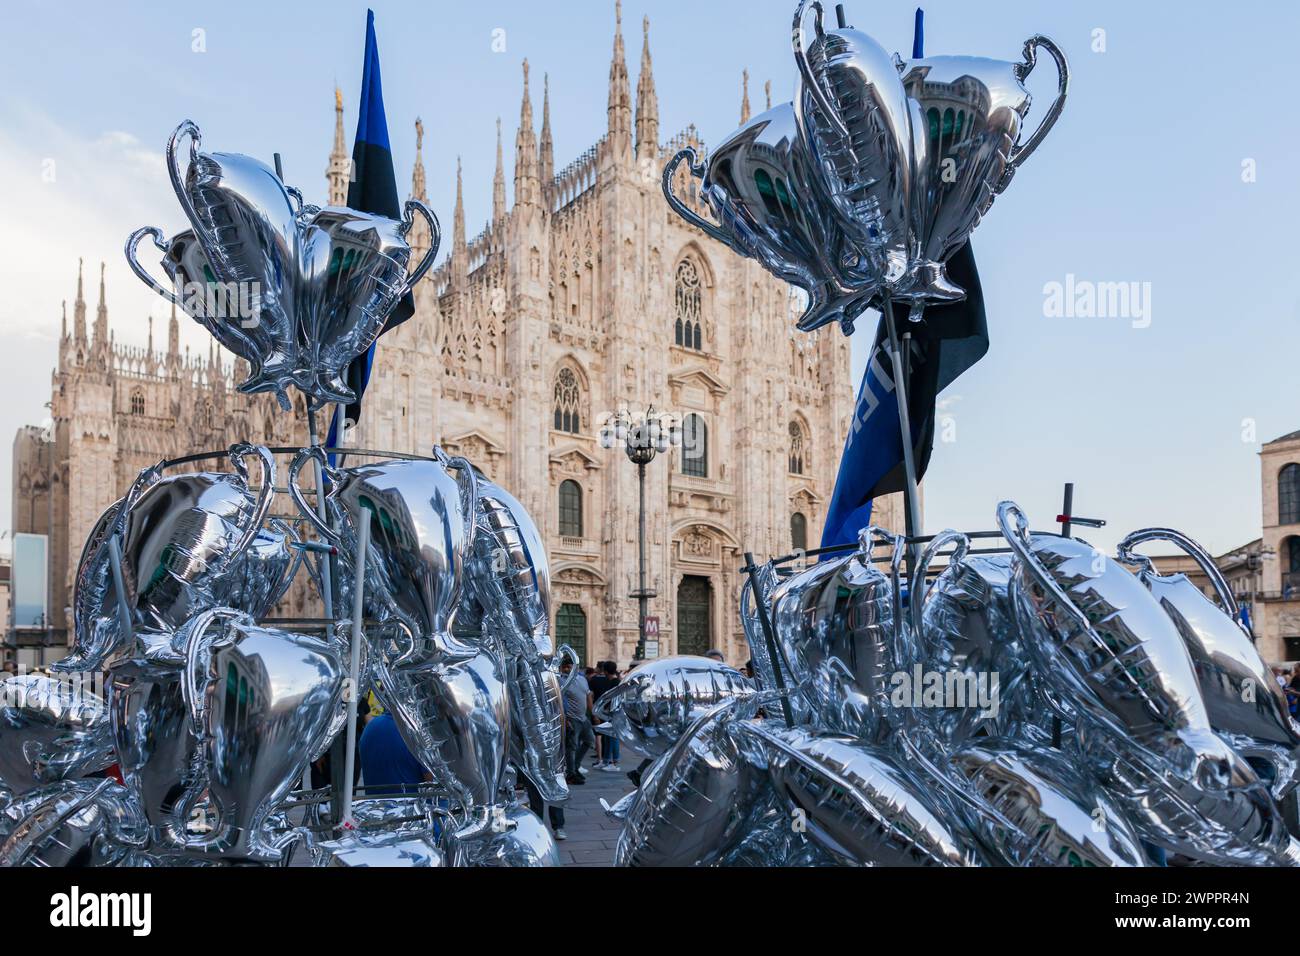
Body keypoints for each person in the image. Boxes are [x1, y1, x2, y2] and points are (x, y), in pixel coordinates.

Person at [359, 711, 430, 796]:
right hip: (409, 805)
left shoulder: (370, 726)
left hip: (374, 805)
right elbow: (434, 782)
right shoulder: (416, 732)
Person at [560, 659, 594, 785]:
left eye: (570, 667)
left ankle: (575, 765)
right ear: (562, 668)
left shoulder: (582, 679)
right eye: (566, 667)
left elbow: (588, 695)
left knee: (590, 741)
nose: (568, 669)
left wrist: (593, 713)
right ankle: (571, 774)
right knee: (571, 747)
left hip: (583, 718)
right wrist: (565, 719)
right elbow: (558, 701)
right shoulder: (561, 681)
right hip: (571, 719)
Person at [588, 660, 621, 771]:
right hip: (607, 713)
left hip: (614, 713)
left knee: (613, 737)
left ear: (605, 671)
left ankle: (614, 762)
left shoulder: (616, 682)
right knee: (607, 737)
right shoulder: (611, 681)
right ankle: (606, 760)